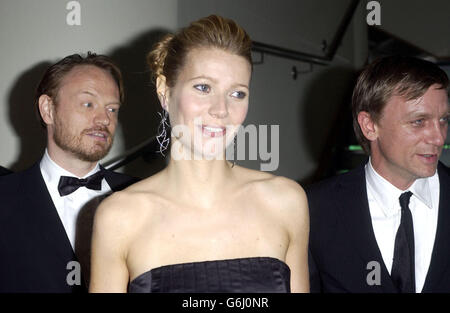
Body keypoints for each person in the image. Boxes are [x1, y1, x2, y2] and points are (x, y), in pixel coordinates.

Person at [89, 15, 309, 293]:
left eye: (237, 94)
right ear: (165, 91)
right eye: (203, 88)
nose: (221, 109)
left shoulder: (286, 202)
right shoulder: (120, 217)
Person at [307, 55, 450, 293]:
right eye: (418, 121)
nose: (439, 138)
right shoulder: (315, 209)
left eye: (444, 120)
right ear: (370, 126)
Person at [0, 52, 138, 293]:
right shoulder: (4, 199)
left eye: (112, 109)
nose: (104, 119)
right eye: (88, 104)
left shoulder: (143, 197)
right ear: (48, 110)